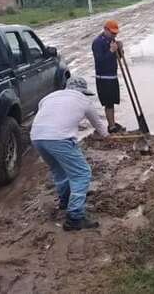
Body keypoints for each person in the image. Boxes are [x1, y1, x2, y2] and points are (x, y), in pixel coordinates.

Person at [31, 77, 109, 231]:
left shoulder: (48, 97)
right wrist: (107, 136)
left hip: (37, 137)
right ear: (83, 91)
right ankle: (75, 217)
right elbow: (98, 124)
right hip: (59, 138)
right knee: (82, 174)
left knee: (59, 171)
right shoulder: (84, 101)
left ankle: (65, 201)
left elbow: (48, 115)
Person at [92, 20, 125, 133]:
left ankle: (112, 123)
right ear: (105, 30)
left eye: (115, 33)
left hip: (112, 76)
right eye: (112, 33)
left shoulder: (112, 40)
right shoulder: (97, 42)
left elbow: (118, 58)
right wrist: (111, 51)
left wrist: (120, 50)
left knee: (113, 102)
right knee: (108, 103)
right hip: (103, 78)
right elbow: (100, 61)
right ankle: (111, 127)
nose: (114, 35)